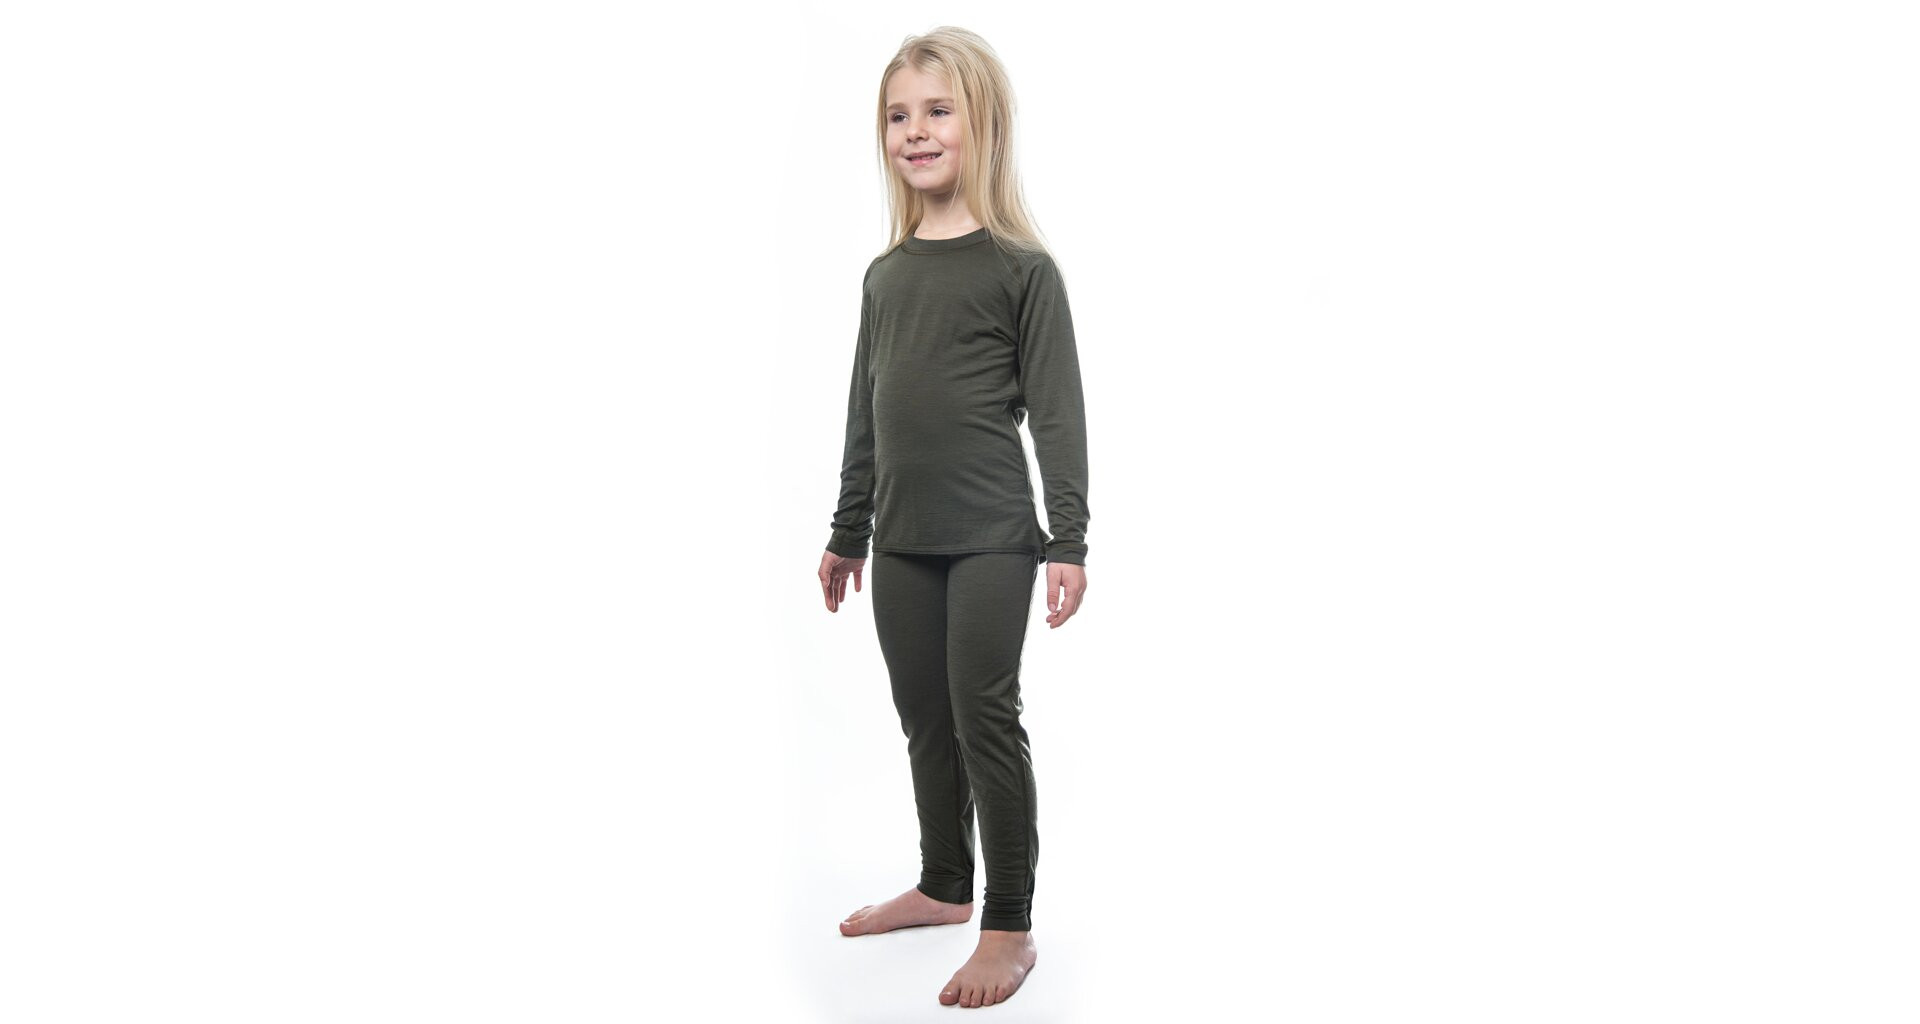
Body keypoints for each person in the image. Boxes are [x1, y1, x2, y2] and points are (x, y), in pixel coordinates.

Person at [815, 26, 1091, 1011]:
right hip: (902, 538)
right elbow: (866, 409)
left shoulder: (1022, 269)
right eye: (899, 115)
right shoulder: (885, 275)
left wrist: (1067, 540)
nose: (916, 131)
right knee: (924, 715)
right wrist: (849, 528)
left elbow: (1057, 413)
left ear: (984, 125)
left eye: (938, 110)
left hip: (991, 538)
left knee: (983, 713)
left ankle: (1009, 922)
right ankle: (943, 882)